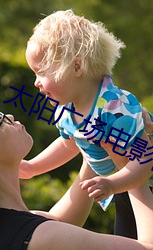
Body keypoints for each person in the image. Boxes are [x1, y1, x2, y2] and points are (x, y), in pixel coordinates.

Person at [0, 98, 153, 250]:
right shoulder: (41, 238)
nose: (9, 116)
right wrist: (131, 160)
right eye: (0, 120)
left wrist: (92, 145)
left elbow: (59, 221)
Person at [21, 9, 153, 239]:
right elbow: (69, 145)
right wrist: (33, 167)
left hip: (141, 185)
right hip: (122, 188)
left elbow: (144, 159)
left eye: (41, 72)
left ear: (76, 67)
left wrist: (112, 183)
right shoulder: (66, 109)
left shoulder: (114, 107)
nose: (36, 83)